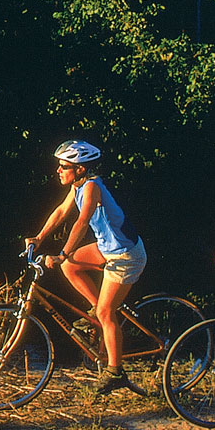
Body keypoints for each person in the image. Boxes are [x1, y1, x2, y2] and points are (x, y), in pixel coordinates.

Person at [26, 139, 148, 393]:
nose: (58, 171)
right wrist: (39, 238)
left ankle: (115, 372)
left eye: (64, 166)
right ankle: (97, 314)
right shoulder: (78, 186)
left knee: (106, 312)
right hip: (108, 249)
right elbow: (61, 213)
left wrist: (62, 253)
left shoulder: (92, 187)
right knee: (70, 267)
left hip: (126, 255)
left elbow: (82, 222)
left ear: (80, 169)